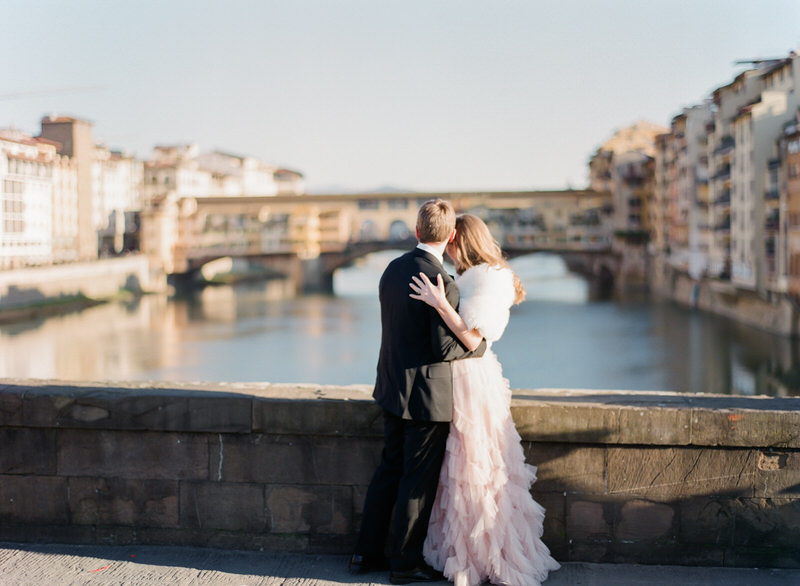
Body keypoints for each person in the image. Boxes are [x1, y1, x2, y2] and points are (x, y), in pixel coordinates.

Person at [409, 214, 560, 586]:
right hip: (460, 378)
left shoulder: (491, 279)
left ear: (463, 241)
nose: (447, 247)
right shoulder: (472, 275)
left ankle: (485, 557)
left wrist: (439, 303)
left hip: (474, 382)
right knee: (459, 472)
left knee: (478, 469)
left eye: (452, 241)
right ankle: (462, 552)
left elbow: (475, 340)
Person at [349, 199, 488, 585]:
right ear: (452, 236)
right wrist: (478, 346)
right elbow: (445, 349)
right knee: (416, 481)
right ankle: (405, 563)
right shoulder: (440, 280)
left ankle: (364, 553)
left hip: (390, 386)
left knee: (388, 471)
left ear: (415, 231)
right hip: (426, 399)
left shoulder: (392, 269)